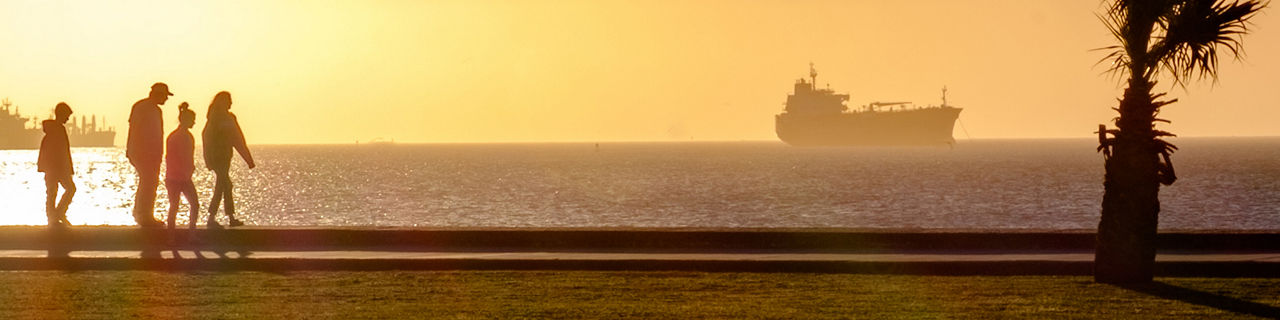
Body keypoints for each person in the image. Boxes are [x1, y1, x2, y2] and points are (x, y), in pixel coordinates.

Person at [203, 91, 255, 228]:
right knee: (223, 185)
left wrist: (248, 158)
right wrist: (208, 160)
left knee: (226, 185)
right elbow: (206, 139)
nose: (231, 103)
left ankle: (228, 217)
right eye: (229, 100)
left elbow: (238, 139)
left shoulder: (230, 118)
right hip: (217, 158)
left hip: (226, 158)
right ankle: (213, 217)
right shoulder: (214, 119)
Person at [128, 82, 171, 227]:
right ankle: (144, 215)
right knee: (148, 182)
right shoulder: (143, 108)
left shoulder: (153, 109)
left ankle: (141, 213)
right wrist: (132, 150)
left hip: (151, 153)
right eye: (165, 96)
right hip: (143, 152)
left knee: (148, 182)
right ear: (158, 94)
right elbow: (135, 129)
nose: (166, 99)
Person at [38, 102, 75, 227]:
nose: (68, 118)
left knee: (53, 192)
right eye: (67, 115)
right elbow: (61, 151)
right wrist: (67, 169)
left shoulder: (54, 130)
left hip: (54, 168)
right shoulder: (57, 130)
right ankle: (57, 215)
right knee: (66, 190)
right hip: (57, 168)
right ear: (62, 114)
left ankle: (55, 217)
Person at [166, 102, 200, 234]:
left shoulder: (176, 136)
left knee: (175, 206)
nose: (194, 123)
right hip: (178, 178)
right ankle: (187, 235)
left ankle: (174, 237)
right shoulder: (182, 137)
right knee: (183, 205)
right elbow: (180, 157)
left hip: (177, 177)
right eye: (193, 120)